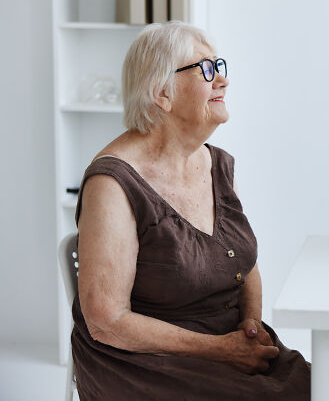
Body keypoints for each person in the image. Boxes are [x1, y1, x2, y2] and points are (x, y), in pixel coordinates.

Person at [72, 22, 310, 400]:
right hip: (143, 360)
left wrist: (249, 327)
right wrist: (222, 350)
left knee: (318, 385)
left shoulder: (215, 164)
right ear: (162, 92)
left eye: (220, 67)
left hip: (227, 342)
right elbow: (106, 321)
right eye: (206, 69)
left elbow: (244, 263)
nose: (223, 81)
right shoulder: (112, 182)